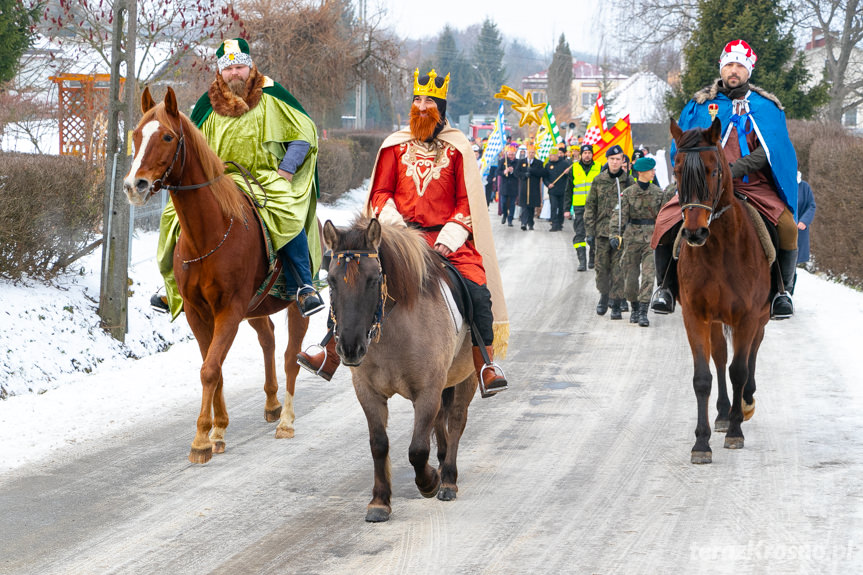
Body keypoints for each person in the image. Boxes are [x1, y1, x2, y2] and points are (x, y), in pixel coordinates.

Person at [298, 69, 509, 397]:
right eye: (418, 100)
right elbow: (380, 193)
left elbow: (467, 202)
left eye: (430, 101)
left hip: (444, 240)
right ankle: (329, 350)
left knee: (478, 290)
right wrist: (396, 227)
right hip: (397, 237)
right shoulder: (394, 147)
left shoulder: (457, 149)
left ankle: (485, 364)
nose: (422, 106)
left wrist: (449, 237)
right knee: (349, 275)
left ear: (441, 108)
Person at [151, 38, 324, 318]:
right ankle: (172, 287)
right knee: (172, 215)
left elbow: (304, 134)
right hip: (216, 181)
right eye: (228, 68)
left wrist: (287, 169)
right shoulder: (207, 104)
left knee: (288, 213)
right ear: (220, 71)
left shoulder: (272, 95)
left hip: (264, 179)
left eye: (240, 67)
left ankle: (304, 285)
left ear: (249, 66)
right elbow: (190, 146)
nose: (235, 73)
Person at [651, 39, 799, 320]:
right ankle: (665, 288)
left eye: (740, 66)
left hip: (752, 184)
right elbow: (682, 144)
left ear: (748, 71)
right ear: (722, 68)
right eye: (729, 64)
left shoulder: (766, 107)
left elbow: (773, 151)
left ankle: (782, 291)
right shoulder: (700, 105)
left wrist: (737, 168)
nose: (734, 70)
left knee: (788, 227)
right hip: (704, 185)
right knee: (664, 220)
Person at [615, 157, 671, 327]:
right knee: (630, 278)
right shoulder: (629, 193)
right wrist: (614, 235)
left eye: (654, 170)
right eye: (651, 170)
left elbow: (664, 216)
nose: (654, 172)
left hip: (651, 239)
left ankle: (643, 312)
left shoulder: (658, 193)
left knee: (648, 276)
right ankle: (634, 306)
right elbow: (619, 216)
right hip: (632, 238)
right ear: (641, 172)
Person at [585, 144, 634, 319]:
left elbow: (633, 209)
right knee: (601, 268)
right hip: (602, 234)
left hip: (621, 235)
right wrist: (590, 232)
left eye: (618, 159)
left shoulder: (629, 182)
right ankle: (604, 296)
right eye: (612, 159)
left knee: (619, 269)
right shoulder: (599, 180)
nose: (614, 162)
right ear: (607, 160)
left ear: (623, 161)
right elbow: (590, 207)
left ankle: (616, 302)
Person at [569, 143, 601, 271]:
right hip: (579, 206)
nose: (587, 155)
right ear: (581, 155)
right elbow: (569, 189)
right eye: (585, 153)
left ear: (592, 154)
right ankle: (582, 261)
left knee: (594, 234)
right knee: (580, 234)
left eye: (589, 153)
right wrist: (566, 209)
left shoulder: (599, 167)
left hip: (595, 206)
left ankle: (592, 257)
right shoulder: (574, 168)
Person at [543, 143, 573, 232]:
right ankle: (554, 224)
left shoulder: (565, 164)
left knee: (561, 208)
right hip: (552, 190)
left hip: (562, 190)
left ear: (556, 155)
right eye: (549, 155)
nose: (550, 157)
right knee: (553, 207)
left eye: (551, 155)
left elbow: (570, 176)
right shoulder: (548, 165)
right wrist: (548, 184)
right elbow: (545, 177)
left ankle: (560, 223)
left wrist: (568, 172)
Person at [516, 144, 544, 230]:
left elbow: (541, 173)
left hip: (533, 188)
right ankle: (523, 223)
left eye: (533, 152)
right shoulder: (521, 162)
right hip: (524, 188)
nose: (531, 154)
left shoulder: (538, 163)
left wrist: (532, 171)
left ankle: (530, 223)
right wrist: (524, 175)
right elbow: (516, 172)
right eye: (529, 152)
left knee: (531, 207)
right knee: (524, 206)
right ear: (527, 153)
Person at [796, 172, 816, 268]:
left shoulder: (804, 187)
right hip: (781, 227)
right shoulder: (780, 184)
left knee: (794, 261)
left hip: (798, 229)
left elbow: (811, 206)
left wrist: (804, 221)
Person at [498, 143, 519, 226]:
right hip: (504, 186)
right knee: (503, 202)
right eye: (509, 154)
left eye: (512, 155)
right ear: (507, 154)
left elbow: (518, 173)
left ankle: (510, 219)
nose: (511, 156)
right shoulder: (502, 161)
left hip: (513, 186)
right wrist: (504, 172)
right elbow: (498, 171)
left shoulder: (517, 162)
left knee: (512, 204)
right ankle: (505, 214)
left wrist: (512, 171)